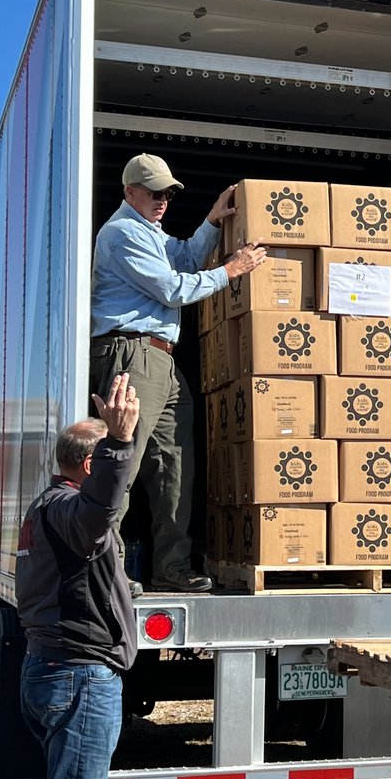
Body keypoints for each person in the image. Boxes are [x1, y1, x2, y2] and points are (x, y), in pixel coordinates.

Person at [90, 153, 266, 593]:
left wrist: (211, 221)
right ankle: (106, 570)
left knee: (173, 464)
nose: (163, 200)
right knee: (123, 464)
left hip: (160, 359)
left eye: (168, 193)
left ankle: (171, 567)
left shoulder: (150, 232)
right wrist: (231, 270)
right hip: (132, 355)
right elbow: (172, 289)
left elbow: (184, 257)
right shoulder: (122, 234)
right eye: (154, 193)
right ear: (130, 191)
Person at [16, 373, 140, 779]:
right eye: (115, 457)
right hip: (78, 679)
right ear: (89, 465)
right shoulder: (70, 510)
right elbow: (98, 516)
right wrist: (119, 442)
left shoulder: (47, 507)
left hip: (54, 672)